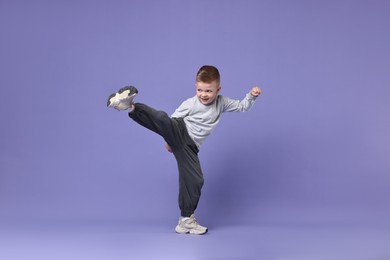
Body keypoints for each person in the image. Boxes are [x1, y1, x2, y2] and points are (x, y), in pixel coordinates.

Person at [107, 65, 262, 235]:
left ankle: (186, 221)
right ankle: (130, 107)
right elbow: (170, 122)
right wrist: (170, 140)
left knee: (196, 180)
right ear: (195, 87)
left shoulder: (222, 102)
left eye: (209, 91)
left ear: (218, 89)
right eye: (200, 90)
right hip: (179, 130)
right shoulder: (190, 103)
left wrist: (251, 96)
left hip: (190, 147)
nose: (204, 94)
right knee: (162, 118)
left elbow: (242, 106)